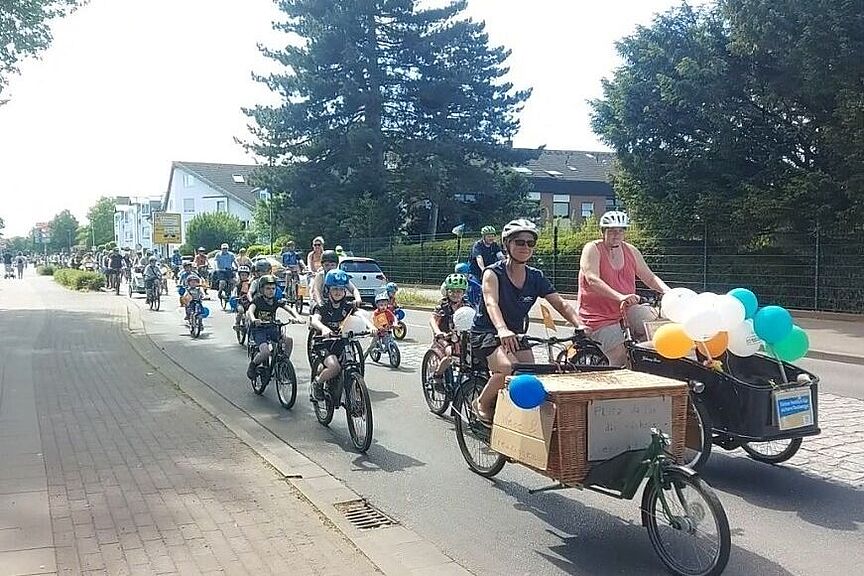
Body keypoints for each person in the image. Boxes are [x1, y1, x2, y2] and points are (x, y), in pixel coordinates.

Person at [471, 219, 583, 423]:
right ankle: (481, 402)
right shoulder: (493, 273)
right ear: (507, 245)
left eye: (530, 243)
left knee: (531, 373)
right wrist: (502, 329)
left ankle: (512, 414)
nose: (525, 247)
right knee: (508, 369)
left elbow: (561, 304)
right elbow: (491, 303)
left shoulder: (535, 276)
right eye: (519, 242)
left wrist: (580, 325)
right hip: (487, 333)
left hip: (516, 334)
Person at [577, 210, 669, 366]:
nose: (616, 235)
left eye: (620, 230)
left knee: (656, 332)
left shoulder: (630, 251)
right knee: (620, 355)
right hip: (599, 316)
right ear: (602, 232)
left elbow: (650, 277)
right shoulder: (592, 249)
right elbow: (592, 279)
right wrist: (620, 296)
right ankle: (615, 386)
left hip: (626, 308)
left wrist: (668, 291)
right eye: (611, 231)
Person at [308, 270, 370, 401]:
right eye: (335, 289)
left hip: (341, 342)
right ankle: (317, 383)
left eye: (341, 289)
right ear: (328, 290)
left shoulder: (347, 306)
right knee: (334, 366)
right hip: (324, 344)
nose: (338, 292)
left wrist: (371, 327)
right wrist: (324, 329)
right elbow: (314, 320)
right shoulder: (323, 306)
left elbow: (359, 315)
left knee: (352, 363)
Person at [245, 274, 303, 380]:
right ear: (261, 290)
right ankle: (253, 366)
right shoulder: (258, 300)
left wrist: (297, 317)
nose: (271, 291)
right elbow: (250, 311)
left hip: (272, 327)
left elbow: (289, 309)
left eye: (273, 288)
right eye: (268, 288)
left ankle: (283, 365)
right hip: (259, 330)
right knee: (265, 352)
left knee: (288, 340)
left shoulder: (276, 300)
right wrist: (254, 319)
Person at [427, 273, 471, 386]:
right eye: (452, 291)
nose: (455, 294)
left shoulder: (467, 305)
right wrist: (438, 332)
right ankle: (438, 375)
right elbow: (433, 319)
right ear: (447, 291)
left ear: (463, 292)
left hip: (461, 337)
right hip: (444, 337)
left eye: (459, 291)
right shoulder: (443, 305)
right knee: (449, 353)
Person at [233, 265, 252, 330]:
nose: (244, 276)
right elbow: (234, 291)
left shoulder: (250, 283)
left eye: (245, 275)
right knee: (241, 311)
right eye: (242, 275)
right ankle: (237, 323)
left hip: (249, 301)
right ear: (239, 276)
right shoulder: (238, 284)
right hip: (240, 302)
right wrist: (234, 296)